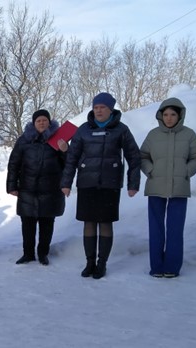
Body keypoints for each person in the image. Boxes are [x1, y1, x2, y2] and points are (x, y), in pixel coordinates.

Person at [61, 93, 141, 279]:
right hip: (86, 184)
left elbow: (134, 157)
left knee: (105, 223)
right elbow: (71, 158)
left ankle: (102, 263)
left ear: (110, 110)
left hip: (109, 184)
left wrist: (133, 184)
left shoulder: (121, 130)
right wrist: (66, 183)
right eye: (96, 107)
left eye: (102, 107)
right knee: (89, 223)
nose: (98, 110)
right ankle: (89, 263)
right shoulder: (83, 130)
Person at [140, 97, 196, 278]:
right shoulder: (153, 135)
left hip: (179, 187)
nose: (168, 118)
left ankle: (172, 267)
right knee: (156, 228)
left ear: (179, 115)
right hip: (156, 185)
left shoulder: (189, 134)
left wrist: (186, 171)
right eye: (165, 114)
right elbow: (142, 156)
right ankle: (157, 266)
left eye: (172, 114)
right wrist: (150, 170)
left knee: (175, 229)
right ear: (160, 116)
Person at [7, 109, 67, 266]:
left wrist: (65, 151)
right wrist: (12, 185)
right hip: (28, 189)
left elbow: (68, 164)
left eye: (44, 120)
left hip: (51, 189)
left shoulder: (58, 139)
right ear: (34, 123)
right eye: (38, 120)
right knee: (28, 224)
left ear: (49, 122)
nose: (41, 123)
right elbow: (14, 163)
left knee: (47, 224)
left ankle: (43, 254)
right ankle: (28, 254)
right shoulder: (24, 140)